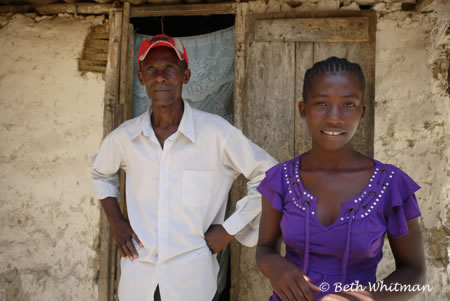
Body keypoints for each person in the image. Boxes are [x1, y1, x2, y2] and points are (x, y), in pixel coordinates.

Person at [91, 34, 277, 301]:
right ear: (141, 77)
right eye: (151, 69)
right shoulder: (125, 137)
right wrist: (116, 221)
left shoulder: (216, 133)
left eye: (170, 68)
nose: (160, 76)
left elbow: (270, 175)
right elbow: (100, 172)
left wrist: (229, 229)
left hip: (192, 281)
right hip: (138, 279)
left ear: (186, 76)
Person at [256, 57, 426, 301]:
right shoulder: (281, 180)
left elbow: (414, 271)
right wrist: (274, 266)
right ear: (303, 110)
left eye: (348, 104)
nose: (334, 117)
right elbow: (264, 249)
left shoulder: (391, 184)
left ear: (362, 111)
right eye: (321, 103)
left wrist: (365, 298)